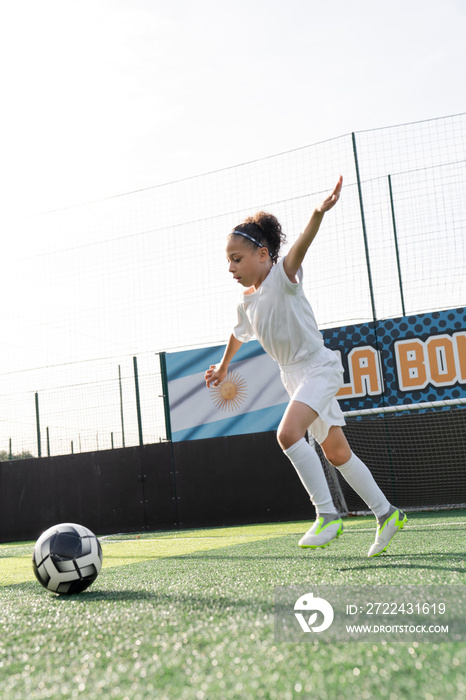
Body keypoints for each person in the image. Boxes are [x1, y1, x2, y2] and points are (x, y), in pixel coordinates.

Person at [204, 176, 407, 556]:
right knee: (336, 453)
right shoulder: (245, 302)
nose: (231, 267)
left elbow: (301, 245)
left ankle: (327, 515)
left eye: (237, 259)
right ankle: (387, 513)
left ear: (263, 254)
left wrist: (318, 212)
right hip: (293, 378)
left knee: (287, 434)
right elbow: (239, 334)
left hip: (318, 368)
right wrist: (222, 366)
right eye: (228, 260)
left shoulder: (284, 277)